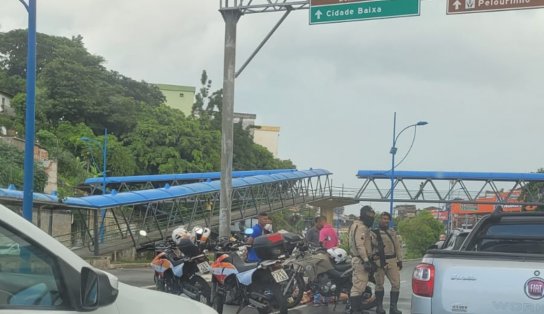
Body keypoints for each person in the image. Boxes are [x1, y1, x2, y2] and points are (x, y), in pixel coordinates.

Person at [371, 212, 403, 314]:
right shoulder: (373, 233)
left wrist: (400, 260)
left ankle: (393, 308)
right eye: (383, 218)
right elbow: (369, 248)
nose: (385, 221)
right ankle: (379, 307)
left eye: (387, 219)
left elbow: (397, 246)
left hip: (392, 261)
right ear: (379, 219)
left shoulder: (392, 232)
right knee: (379, 284)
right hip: (379, 261)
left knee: (396, 284)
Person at [348, 205, 375, 314]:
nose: (372, 218)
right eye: (370, 216)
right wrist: (366, 260)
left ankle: (358, 308)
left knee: (361, 284)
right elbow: (360, 245)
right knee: (358, 285)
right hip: (360, 260)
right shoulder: (361, 227)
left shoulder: (355, 225)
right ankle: (355, 310)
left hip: (358, 258)